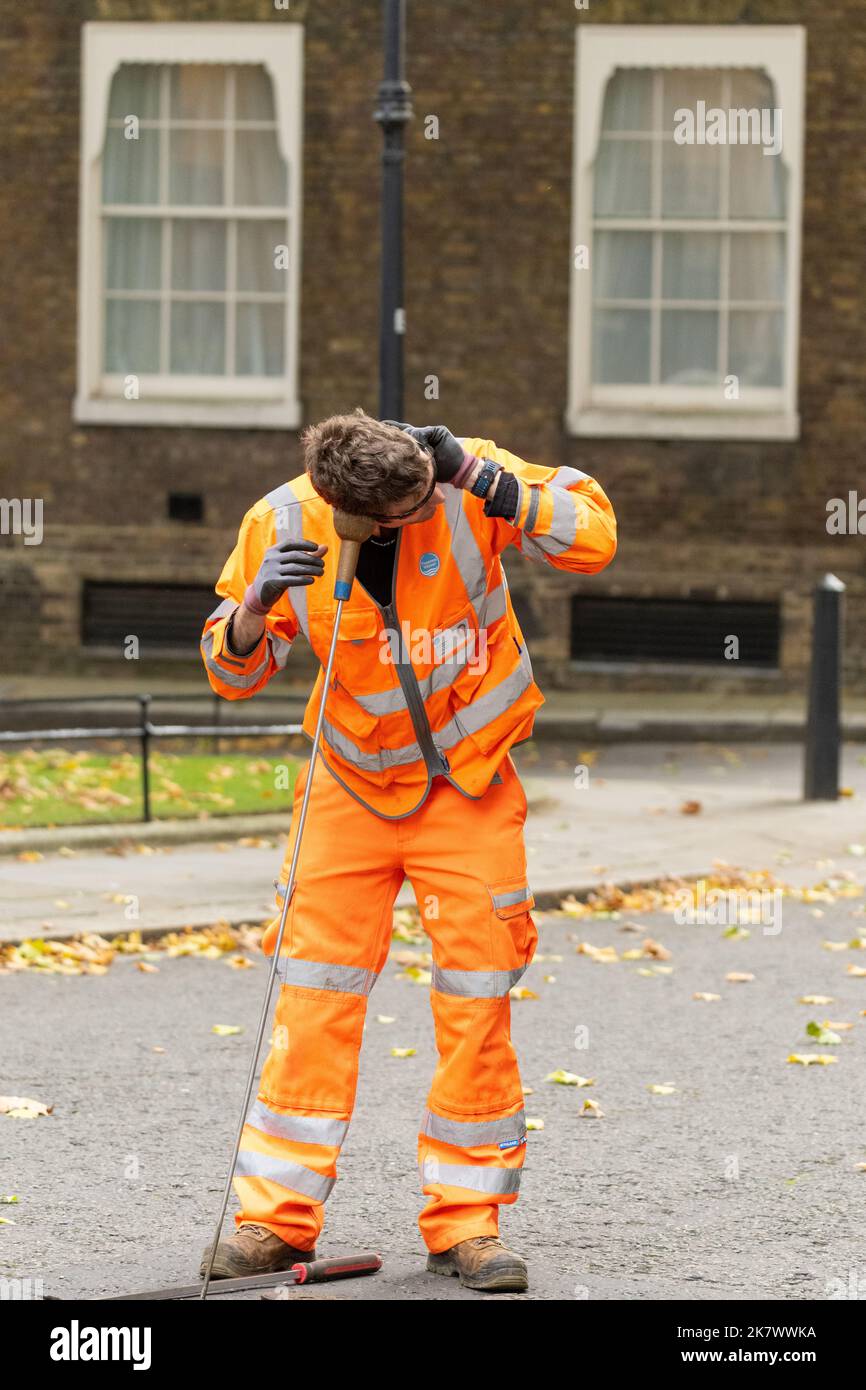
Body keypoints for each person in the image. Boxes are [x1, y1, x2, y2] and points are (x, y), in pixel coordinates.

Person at [199, 410, 617, 1291]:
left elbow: (594, 539)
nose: (419, 514)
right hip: (348, 786)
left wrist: (479, 477)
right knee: (313, 997)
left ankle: (466, 1226)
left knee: (476, 995)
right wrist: (254, 606)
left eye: (425, 496)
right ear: (353, 514)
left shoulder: (467, 477)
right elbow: (231, 674)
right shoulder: (277, 522)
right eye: (399, 513)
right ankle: (273, 1225)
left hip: (466, 782)